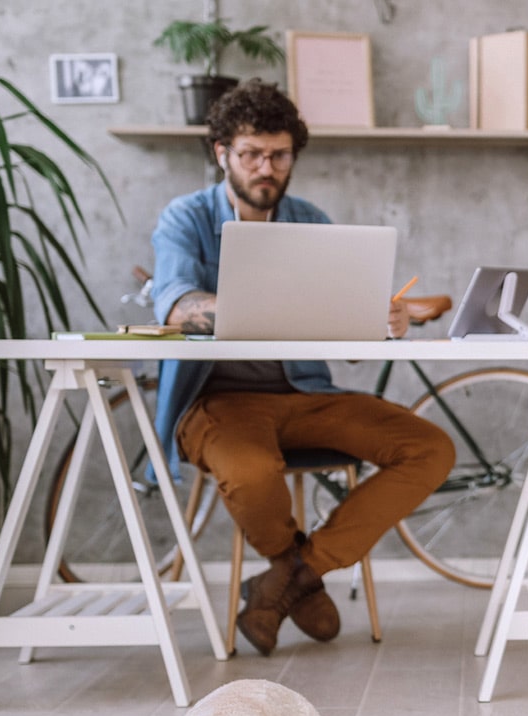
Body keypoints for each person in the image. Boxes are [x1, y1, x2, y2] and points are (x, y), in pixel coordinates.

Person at [150, 80, 455, 655]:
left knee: (431, 449)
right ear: (222, 154)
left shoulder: (310, 218)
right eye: (251, 154)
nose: (266, 167)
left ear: (293, 155)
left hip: (305, 392)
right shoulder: (185, 218)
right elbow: (174, 306)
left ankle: (289, 579)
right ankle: (296, 579)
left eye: (280, 154)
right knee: (254, 473)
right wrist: (257, 305)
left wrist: (380, 320)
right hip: (217, 401)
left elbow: (352, 345)